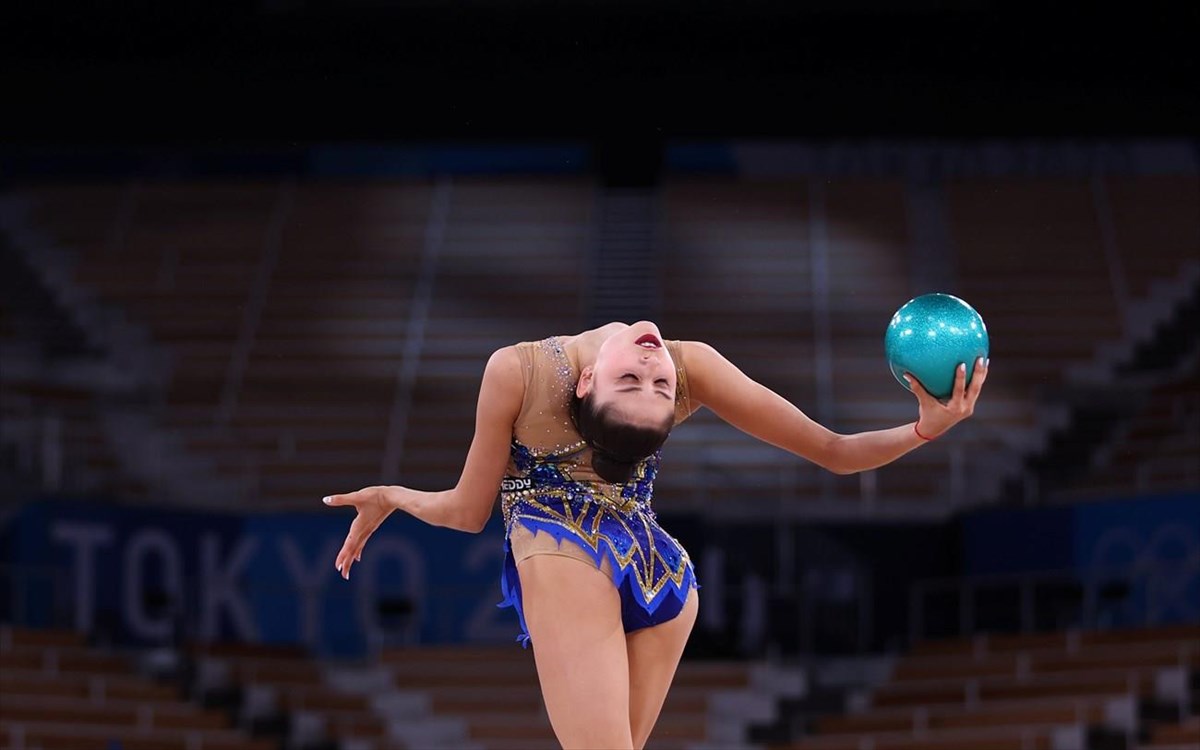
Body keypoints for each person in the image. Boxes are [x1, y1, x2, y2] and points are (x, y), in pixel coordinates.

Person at [323, 320, 988, 749]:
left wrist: (925, 429)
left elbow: (834, 451)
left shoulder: (657, 366)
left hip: (629, 559)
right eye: (644, 381)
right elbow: (469, 512)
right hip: (591, 560)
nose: (651, 361)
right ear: (585, 382)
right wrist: (394, 497)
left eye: (654, 382)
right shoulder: (521, 373)